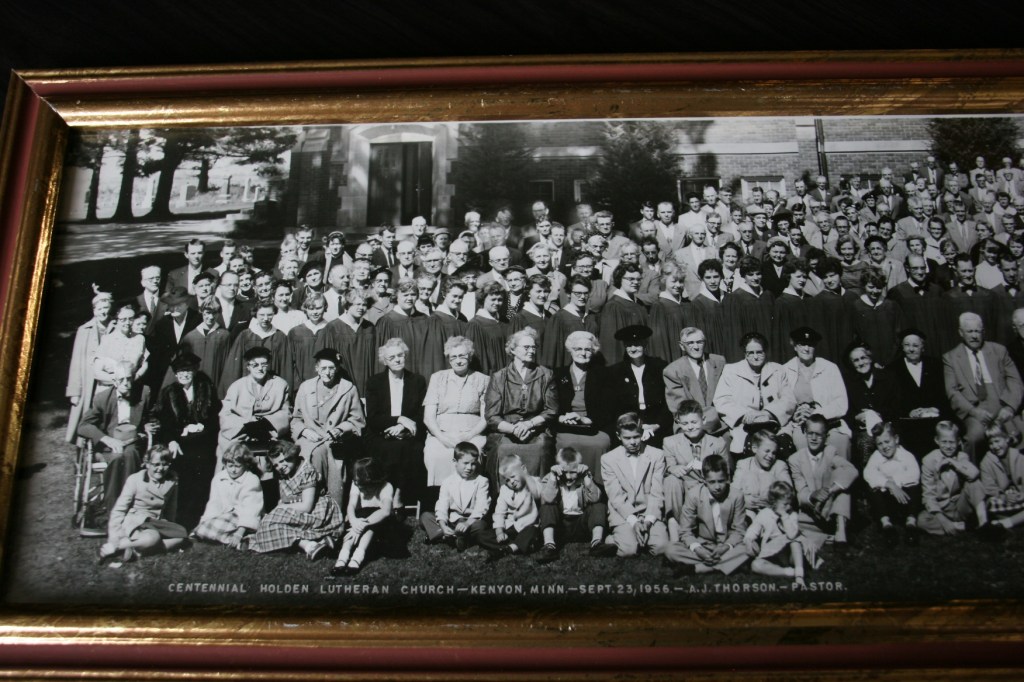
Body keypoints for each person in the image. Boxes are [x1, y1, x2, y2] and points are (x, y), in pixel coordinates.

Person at [77, 361, 156, 527]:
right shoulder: (102, 398)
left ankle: (130, 508)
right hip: (110, 445)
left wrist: (149, 425)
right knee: (117, 457)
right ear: (114, 381)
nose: (126, 383)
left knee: (130, 454)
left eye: (129, 378)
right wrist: (107, 439)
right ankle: (114, 512)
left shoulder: (144, 392)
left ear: (134, 378)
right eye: (121, 380)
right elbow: (83, 426)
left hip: (134, 442)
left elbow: (152, 416)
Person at [150, 351, 221, 530]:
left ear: (194, 371)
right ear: (175, 374)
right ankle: (181, 519)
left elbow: (214, 418)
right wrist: (172, 441)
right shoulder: (169, 393)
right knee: (181, 468)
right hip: (179, 441)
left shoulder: (206, 389)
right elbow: (165, 422)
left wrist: (202, 428)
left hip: (203, 440)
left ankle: (199, 518)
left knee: (203, 468)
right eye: (180, 372)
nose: (184, 375)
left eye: (188, 371)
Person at [292, 348, 365, 511]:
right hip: (310, 439)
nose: (327, 372)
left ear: (337, 369)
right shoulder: (305, 387)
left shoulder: (348, 389)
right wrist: (304, 431)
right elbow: (296, 419)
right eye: (323, 368)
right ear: (317, 369)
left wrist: (340, 430)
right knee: (315, 453)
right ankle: (310, 506)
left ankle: (332, 509)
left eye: (331, 368)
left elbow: (357, 420)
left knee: (331, 457)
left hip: (336, 440)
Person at [943, 311, 1023, 458]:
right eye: (970, 331)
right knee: (974, 438)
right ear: (961, 332)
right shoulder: (951, 358)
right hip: (974, 410)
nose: (974, 336)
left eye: (977, 331)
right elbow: (952, 392)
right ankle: (971, 472)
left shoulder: (999, 350)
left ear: (983, 332)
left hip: (1002, 405)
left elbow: (1015, 381)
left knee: (1019, 434)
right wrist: (974, 412)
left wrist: (1010, 407)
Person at [484, 327, 557, 482]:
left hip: (536, 428)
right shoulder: (499, 377)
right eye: (526, 347)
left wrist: (529, 424)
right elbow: (491, 416)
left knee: (542, 448)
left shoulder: (546, 374)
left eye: (533, 347)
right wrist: (513, 429)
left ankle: (539, 492)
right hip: (506, 430)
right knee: (500, 449)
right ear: (513, 350)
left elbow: (551, 410)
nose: (531, 351)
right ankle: (501, 494)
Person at [422, 336, 490, 502]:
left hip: (472, 432)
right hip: (441, 432)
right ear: (448, 359)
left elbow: (486, 417)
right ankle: (441, 501)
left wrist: (469, 436)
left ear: (470, 357)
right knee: (435, 453)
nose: (458, 361)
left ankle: (468, 501)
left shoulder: (483, 380)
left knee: (471, 455)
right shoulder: (437, 378)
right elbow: (428, 417)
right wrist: (442, 437)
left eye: (462, 356)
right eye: (453, 357)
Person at [250, 440, 343, 559]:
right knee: (267, 524)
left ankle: (310, 543)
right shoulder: (283, 473)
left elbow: (306, 506)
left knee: (268, 524)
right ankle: (310, 543)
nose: (280, 467)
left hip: (316, 512)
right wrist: (280, 507)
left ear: (291, 455)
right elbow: (285, 497)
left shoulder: (306, 471)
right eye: (276, 465)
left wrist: (281, 508)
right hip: (296, 510)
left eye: (282, 461)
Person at [364, 338, 428, 508]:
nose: (397, 360)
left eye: (400, 355)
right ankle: (387, 493)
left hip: (409, 433)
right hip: (380, 433)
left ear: (405, 356)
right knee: (388, 448)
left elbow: (421, 414)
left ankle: (398, 495)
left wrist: (402, 427)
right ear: (385, 361)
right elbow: (372, 417)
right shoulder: (375, 382)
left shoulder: (417, 381)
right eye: (391, 357)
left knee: (409, 448)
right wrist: (399, 419)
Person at [97, 445, 187, 564]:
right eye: (156, 464)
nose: (160, 468)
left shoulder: (172, 479)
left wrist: (170, 526)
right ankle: (117, 546)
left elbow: (172, 506)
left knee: (181, 536)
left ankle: (136, 552)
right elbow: (119, 509)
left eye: (165, 464)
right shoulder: (135, 479)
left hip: (157, 521)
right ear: (147, 464)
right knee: (153, 537)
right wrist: (114, 537)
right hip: (138, 521)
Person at [662, 454, 750, 576]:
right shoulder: (694, 495)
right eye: (712, 482)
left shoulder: (736, 495)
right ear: (704, 480)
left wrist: (726, 547)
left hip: (727, 544)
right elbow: (686, 531)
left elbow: (739, 530)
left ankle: (698, 568)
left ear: (727, 478)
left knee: (750, 547)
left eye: (721, 481)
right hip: (703, 544)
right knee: (670, 549)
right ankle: (727, 564)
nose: (717, 487)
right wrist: (698, 549)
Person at [600, 412, 669, 557]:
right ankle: (613, 539)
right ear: (618, 436)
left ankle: (639, 537)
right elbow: (616, 496)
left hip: (649, 511)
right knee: (628, 551)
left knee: (661, 548)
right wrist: (634, 522)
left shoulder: (657, 455)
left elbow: (657, 492)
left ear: (642, 434)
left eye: (636, 437)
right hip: (624, 514)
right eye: (627, 438)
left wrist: (648, 521)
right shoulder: (608, 459)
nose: (632, 442)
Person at [714, 332, 794, 456]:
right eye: (750, 353)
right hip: (745, 424)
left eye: (759, 352)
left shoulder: (778, 370)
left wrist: (767, 413)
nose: (755, 357)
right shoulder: (731, 371)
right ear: (745, 354)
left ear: (765, 352)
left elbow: (788, 399)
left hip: (774, 422)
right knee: (747, 449)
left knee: (780, 448)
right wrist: (745, 415)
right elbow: (721, 400)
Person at [780, 327, 851, 460]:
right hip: (801, 424)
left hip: (830, 423)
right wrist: (795, 415)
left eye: (810, 345)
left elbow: (841, 404)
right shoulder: (785, 370)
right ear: (795, 346)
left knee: (840, 441)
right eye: (802, 344)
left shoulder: (830, 368)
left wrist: (816, 413)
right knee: (802, 444)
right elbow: (783, 403)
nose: (806, 349)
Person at [788, 414, 858, 547]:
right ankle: (828, 534)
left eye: (819, 435)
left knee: (842, 479)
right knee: (790, 524)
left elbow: (851, 470)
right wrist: (812, 495)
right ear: (805, 433)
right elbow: (801, 492)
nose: (814, 438)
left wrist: (830, 491)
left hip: (832, 508)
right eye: (810, 433)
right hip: (812, 511)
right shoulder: (795, 459)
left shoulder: (830, 452)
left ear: (826, 436)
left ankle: (840, 530)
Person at [534, 447, 614, 564]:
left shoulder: (584, 478)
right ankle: (549, 546)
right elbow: (548, 499)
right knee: (547, 507)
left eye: (572, 472)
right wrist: (553, 478)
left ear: (579, 468)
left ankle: (596, 543)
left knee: (598, 505)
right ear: (558, 468)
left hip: (580, 524)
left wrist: (586, 477)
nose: (568, 476)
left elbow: (595, 498)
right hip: (560, 526)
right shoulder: (550, 478)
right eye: (564, 472)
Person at [217, 346, 291, 469]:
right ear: (248, 366)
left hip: (269, 432)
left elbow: (286, 412)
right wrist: (245, 425)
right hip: (241, 432)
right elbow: (225, 414)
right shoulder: (236, 386)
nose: (260, 368)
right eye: (255, 365)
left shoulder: (280, 384)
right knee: (230, 454)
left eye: (264, 364)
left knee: (278, 455)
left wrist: (267, 423)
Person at [552, 331, 612, 484]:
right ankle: (566, 487)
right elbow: (551, 404)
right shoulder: (558, 374)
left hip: (593, 425)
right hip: (565, 425)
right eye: (578, 349)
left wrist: (586, 419)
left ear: (593, 352)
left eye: (587, 349)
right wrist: (561, 417)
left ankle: (595, 489)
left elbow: (609, 408)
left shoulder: (603, 374)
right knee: (563, 444)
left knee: (599, 444)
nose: (583, 353)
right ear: (570, 350)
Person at [917, 421, 992, 536]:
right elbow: (928, 496)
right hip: (942, 510)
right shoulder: (929, 461)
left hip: (960, 506)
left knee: (973, 482)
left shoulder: (962, 456)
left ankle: (983, 523)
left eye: (952, 442)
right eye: (944, 442)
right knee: (922, 521)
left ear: (958, 441)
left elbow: (974, 474)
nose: (948, 446)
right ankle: (965, 527)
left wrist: (954, 463)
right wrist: (944, 521)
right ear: (937, 440)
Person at [662, 400, 729, 528]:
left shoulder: (718, 443)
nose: (690, 427)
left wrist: (705, 467)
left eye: (694, 422)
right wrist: (672, 468)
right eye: (685, 423)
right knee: (671, 480)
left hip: (707, 489)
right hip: (684, 489)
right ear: (679, 423)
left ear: (703, 420)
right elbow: (669, 466)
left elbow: (726, 474)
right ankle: (677, 525)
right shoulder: (670, 442)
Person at [604, 325, 671, 446]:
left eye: (637, 344)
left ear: (645, 344)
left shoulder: (659, 367)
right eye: (629, 345)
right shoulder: (615, 372)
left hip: (656, 422)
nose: (633, 349)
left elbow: (668, 401)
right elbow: (612, 406)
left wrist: (657, 425)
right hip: (627, 423)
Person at [192, 442, 265, 550]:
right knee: (203, 529)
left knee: (214, 530)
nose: (233, 470)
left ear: (246, 465)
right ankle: (232, 541)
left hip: (243, 518)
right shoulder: (219, 478)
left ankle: (241, 539)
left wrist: (239, 533)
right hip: (224, 516)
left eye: (237, 466)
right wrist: (204, 521)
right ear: (225, 464)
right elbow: (214, 503)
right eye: (230, 466)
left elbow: (251, 509)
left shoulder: (251, 480)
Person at [330, 457, 396, 576]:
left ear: (370, 479)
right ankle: (342, 558)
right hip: (358, 521)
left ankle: (357, 557)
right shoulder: (356, 484)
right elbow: (351, 505)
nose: (356, 484)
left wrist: (362, 525)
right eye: (355, 481)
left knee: (370, 524)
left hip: (379, 525)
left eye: (359, 482)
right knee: (353, 524)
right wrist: (354, 521)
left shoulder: (386, 487)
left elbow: (385, 511)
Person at [420, 442, 491, 550]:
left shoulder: (482, 481)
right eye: (465, 463)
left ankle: (443, 537)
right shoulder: (447, 481)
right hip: (452, 520)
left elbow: (481, 507)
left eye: (473, 464)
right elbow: (442, 505)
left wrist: (467, 523)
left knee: (481, 526)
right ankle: (453, 536)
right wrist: (443, 525)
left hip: (471, 521)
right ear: (455, 462)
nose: (469, 467)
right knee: (425, 517)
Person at [744, 481, 814, 588]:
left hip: (789, 554)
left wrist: (784, 516)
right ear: (774, 502)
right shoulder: (764, 514)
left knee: (795, 542)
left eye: (790, 503)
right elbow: (753, 531)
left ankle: (799, 575)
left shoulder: (792, 515)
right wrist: (749, 540)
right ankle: (789, 572)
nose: (788, 507)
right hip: (771, 553)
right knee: (755, 565)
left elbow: (791, 535)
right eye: (785, 504)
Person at [863, 422, 922, 545]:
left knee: (914, 486)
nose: (884, 447)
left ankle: (911, 523)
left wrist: (896, 483)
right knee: (872, 488)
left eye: (887, 441)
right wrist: (889, 484)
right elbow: (868, 473)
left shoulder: (906, 456)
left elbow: (914, 475)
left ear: (896, 439)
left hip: (904, 498)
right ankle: (886, 524)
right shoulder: (876, 456)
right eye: (880, 444)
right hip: (887, 500)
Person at [66, 289, 113, 443]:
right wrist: (75, 392)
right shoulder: (84, 330)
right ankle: (83, 453)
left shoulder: (116, 326)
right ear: (94, 310)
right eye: (100, 309)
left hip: (109, 381)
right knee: (86, 418)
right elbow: (76, 362)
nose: (103, 312)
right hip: (89, 384)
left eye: (106, 308)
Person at [219, 300, 292, 395]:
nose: (265, 318)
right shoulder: (245, 336)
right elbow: (234, 366)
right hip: (247, 387)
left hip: (271, 387)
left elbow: (285, 366)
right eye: (261, 315)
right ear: (255, 314)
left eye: (269, 315)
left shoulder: (280, 337)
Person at [663, 327, 726, 437]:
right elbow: (681, 409)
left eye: (699, 342)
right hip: (689, 426)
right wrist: (711, 416)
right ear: (682, 346)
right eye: (690, 343)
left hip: (721, 424)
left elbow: (726, 396)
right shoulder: (672, 370)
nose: (696, 347)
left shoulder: (719, 361)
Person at [481, 455, 541, 562]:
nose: (511, 482)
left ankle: (508, 549)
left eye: (513, 476)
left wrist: (526, 476)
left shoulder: (533, 482)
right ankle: (519, 545)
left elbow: (537, 494)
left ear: (523, 469)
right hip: (511, 528)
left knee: (533, 532)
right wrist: (499, 531)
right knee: (482, 536)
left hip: (528, 527)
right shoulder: (505, 489)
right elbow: (499, 513)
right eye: (507, 480)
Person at [317, 289, 376, 395]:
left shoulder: (369, 327)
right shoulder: (333, 328)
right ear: (348, 305)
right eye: (358, 304)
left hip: (366, 383)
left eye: (364, 305)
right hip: (342, 384)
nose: (361, 308)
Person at [732, 430, 794, 520]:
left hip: (772, 514)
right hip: (748, 512)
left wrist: (771, 502)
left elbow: (788, 493)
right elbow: (734, 491)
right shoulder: (743, 464)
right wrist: (744, 500)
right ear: (755, 449)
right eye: (767, 451)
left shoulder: (779, 466)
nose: (770, 456)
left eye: (774, 453)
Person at [543, 276, 600, 369]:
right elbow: (551, 353)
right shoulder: (559, 318)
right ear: (569, 294)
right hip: (567, 370)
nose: (582, 297)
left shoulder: (593, 317)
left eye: (586, 293)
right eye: (578, 293)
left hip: (591, 370)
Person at [286, 292, 329, 389]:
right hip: (301, 385)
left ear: (325, 307)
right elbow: (290, 363)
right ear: (305, 309)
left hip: (327, 383)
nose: (315, 312)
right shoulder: (295, 332)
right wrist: (297, 385)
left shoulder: (332, 330)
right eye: (311, 309)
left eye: (318, 308)